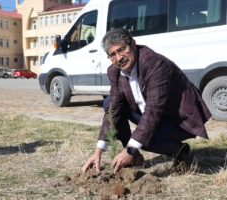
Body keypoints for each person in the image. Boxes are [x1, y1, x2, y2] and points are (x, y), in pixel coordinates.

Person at [82, 28, 211, 174]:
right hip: (153, 115)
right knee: (109, 104)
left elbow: (153, 111)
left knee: (145, 138)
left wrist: (131, 147)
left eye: (122, 50)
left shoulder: (155, 64)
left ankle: (182, 151)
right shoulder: (114, 71)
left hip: (179, 118)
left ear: (133, 43)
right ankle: (134, 156)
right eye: (112, 55)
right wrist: (98, 151)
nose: (118, 58)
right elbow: (113, 109)